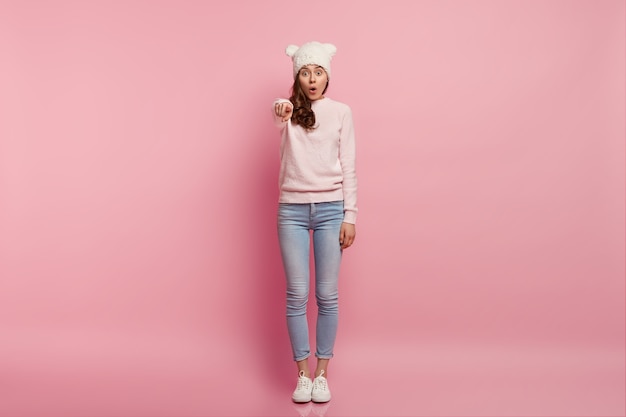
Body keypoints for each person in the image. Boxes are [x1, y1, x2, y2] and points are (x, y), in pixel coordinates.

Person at [272, 41, 358, 404]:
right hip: (291, 210)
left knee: (327, 295)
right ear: (297, 76)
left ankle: (322, 374)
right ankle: (302, 375)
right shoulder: (288, 111)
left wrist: (349, 215)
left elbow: (349, 166)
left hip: (330, 210)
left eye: (318, 71)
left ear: (327, 76)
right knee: (296, 295)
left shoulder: (341, 112)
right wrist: (282, 110)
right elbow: (279, 113)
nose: (312, 78)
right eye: (305, 71)